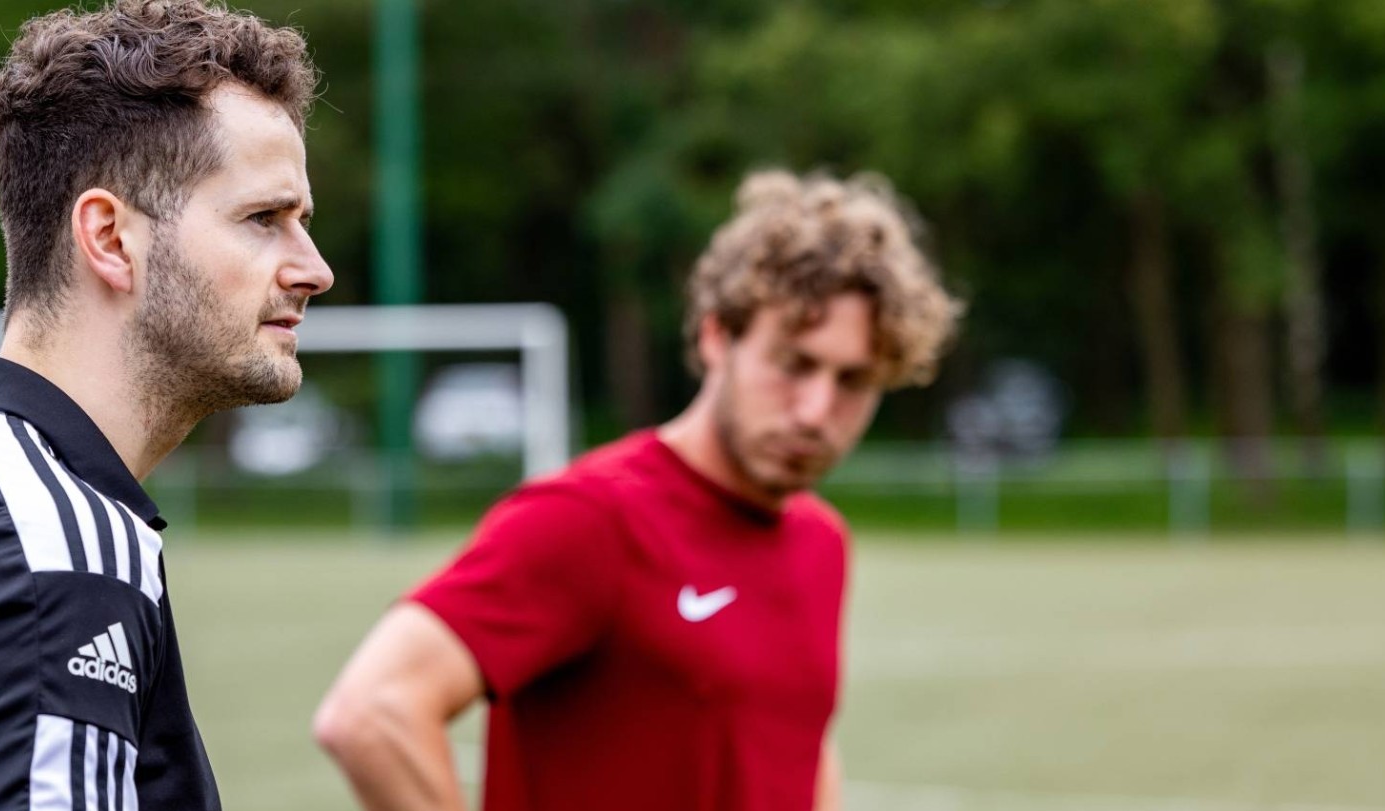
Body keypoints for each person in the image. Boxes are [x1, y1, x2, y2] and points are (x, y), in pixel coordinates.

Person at [0, 2, 329, 809]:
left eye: (303, 222)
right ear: (110, 238)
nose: (313, 268)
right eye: (264, 219)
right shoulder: (54, 550)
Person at [313, 170, 962, 811]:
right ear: (717, 336)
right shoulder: (591, 516)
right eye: (794, 363)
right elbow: (374, 711)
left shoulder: (821, 542)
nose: (818, 408)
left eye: (853, 380)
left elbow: (795, 748)